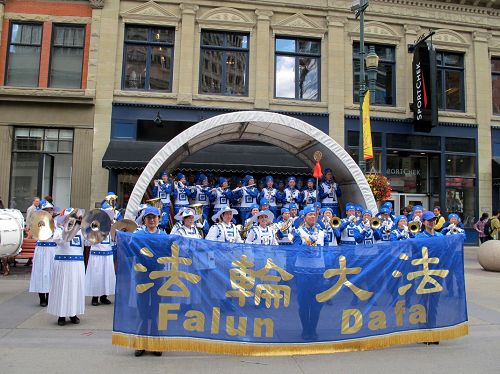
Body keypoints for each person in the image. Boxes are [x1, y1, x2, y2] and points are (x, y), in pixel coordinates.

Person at [291, 205, 325, 340]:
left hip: (318, 271)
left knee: (317, 303)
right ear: (304, 217)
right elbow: (294, 248)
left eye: (314, 214)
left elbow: (327, 250)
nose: (312, 216)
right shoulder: (298, 231)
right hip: (303, 271)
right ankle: (305, 329)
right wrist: (305, 246)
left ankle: (313, 328)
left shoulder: (322, 232)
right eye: (309, 214)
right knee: (304, 303)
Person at [48, 208, 85, 326]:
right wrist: (67, 229)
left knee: (75, 289)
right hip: (63, 264)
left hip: (77, 264)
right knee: (62, 288)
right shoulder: (59, 230)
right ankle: (61, 315)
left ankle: (73, 313)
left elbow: (91, 242)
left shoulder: (82, 231)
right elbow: (59, 240)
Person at [85, 208, 116, 307]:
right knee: (96, 276)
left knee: (106, 276)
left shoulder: (112, 227)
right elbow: (87, 241)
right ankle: (95, 297)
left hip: (107, 254)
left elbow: (114, 241)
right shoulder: (94, 226)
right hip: (97, 254)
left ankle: (104, 296)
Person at [29, 201, 56, 307]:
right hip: (42, 249)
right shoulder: (37, 221)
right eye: (47, 210)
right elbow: (35, 234)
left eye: (50, 209)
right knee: (40, 272)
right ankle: (42, 297)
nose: (50, 212)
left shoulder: (56, 222)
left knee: (51, 272)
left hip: (52, 249)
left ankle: (50, 296)